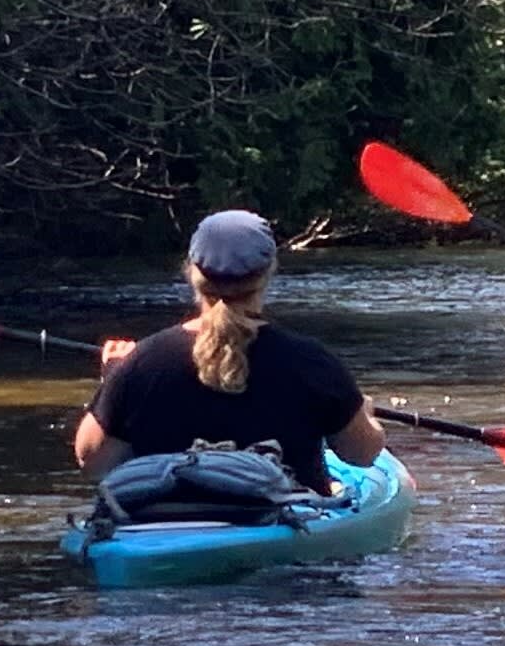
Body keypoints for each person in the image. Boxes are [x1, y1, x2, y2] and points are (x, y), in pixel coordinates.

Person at [73, 210, 384, 497]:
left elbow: (93, 462)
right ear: (268, 272)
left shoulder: (141, 362)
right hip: (286, 526)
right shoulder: (312, 362)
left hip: (164, 522)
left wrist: (113, 376)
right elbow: (363, 454)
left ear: (193, 271)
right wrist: (365, 416)